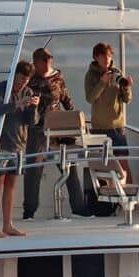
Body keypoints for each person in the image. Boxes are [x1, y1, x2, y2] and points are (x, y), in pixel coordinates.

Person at [23, 47, 88, 220]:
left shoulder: (58, 77)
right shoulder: (30, 79)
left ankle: (79, 207)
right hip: (37, 130)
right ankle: (29, 211)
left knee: (69, 167)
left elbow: (66, 99)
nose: (45, 63)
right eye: (41, 61)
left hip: (58, 129)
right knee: (33, 170)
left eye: (48, 60)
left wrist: (75, 120)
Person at [0, 61, 40, 238]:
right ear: (15, 74)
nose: (23, 83)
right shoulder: (0, 89)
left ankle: (8, 224)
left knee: (11, 185)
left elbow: (32, 122)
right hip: (1, 143)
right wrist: (17, 104)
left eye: (26, 80)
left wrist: (33, 107)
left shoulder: (27, 92)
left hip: (18, 144)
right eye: (21, 78)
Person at [84, 41, 133, 178]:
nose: (107, 60)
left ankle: (125, 192)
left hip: (117, 127)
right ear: (96, 57)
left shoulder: (117, 73)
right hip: (99, 128)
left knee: (123, 164)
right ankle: (105, 195)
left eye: (109, 56)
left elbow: (127, 99)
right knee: (101, 167)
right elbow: (90, 98)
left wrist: (127, 87)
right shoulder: (90, 76)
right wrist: (102, 83)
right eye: (103, 56)